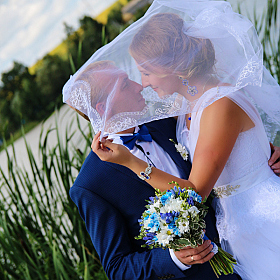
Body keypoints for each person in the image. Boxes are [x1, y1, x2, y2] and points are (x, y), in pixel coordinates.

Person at [91, 5, 280, 280]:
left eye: (146, 71)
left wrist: (132, 163)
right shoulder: (188, 108)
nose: (143, 83)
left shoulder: (218, 105)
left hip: (263, 219)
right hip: (237, 227)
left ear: (172, 66)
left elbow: (194, 193)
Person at [64, 60, 242, 279]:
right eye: (125, 84)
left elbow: (218, 148)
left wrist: (264, 154)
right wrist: (173, 258)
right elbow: (117, 268)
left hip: (244, 245)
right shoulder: (91, 184)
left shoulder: (167, 120)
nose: (139, 86)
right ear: (103, 107)